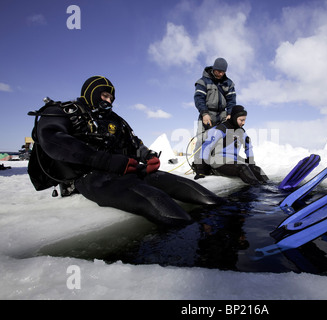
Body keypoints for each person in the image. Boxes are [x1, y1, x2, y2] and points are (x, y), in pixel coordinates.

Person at [28, 76, 224, 226]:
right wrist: (106, 162)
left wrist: (148, 156)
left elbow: (132, 144)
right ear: (91, 94)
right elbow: (52, 140)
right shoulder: (65, 112)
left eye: (112, 97)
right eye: (105, 95)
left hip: (125, 170)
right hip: (90, 177)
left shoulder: (115, 120)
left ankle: (222, 221)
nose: (109, 101)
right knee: (157, 200)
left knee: (191, 189)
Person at [195, 105, 269, 185]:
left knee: (257, 169)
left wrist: (251, 164)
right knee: (242, 168)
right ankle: (259, 190)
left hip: (233, 160)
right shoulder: (221, 129)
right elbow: (207, 147)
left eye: (245, 120)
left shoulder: (241, 132)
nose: (243, 123)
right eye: (241, 120)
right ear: (234, 117)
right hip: (218, 160)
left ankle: (271, 187)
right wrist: (200, 170)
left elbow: (248, 147)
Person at [192, 58, 236, 173]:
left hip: (222, 115)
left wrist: (230, 113)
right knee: (202, 140)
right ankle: (199, 168)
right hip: (207, 114)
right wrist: (204, 113)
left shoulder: (229, 83)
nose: (220, 74)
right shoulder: (203, 82)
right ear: (213, 69)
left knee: (222, 140)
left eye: (223, 72)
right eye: (218, 71)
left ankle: (217, 165)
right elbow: (198, 99)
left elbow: (232, 100)